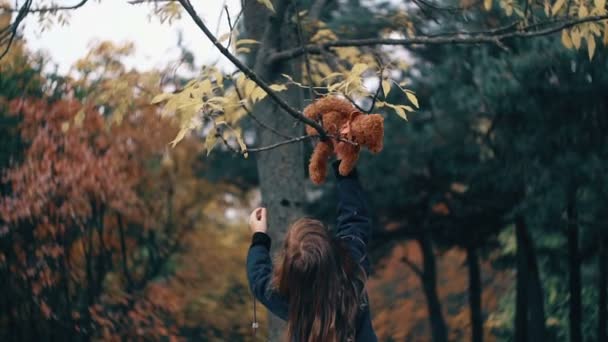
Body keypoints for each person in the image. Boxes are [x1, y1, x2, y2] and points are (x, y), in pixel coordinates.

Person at [246, 159, 378, 342]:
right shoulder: (353, 273)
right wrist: (344, 167)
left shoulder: (288, 301)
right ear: (332, 247)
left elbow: (258, 277)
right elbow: (354, 219)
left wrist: (259, 236)